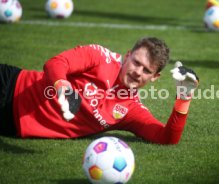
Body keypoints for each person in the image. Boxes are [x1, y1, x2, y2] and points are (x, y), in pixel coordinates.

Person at [0, 37, 199, 145]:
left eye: (146, 70)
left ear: (154, 77)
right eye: (136, 62)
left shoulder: (130, 109)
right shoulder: (99, 56)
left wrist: (184, 97)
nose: (138, 72)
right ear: (127, 56)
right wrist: (62, 85)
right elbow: (56, 63)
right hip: (11, 85)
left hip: (11, 125)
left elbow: (166, 138)